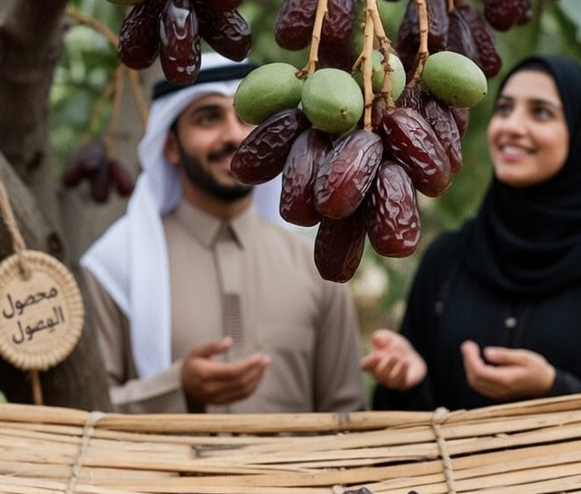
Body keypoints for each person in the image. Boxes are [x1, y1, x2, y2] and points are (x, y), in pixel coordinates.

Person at [364, 53, 581, 411]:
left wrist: (554, 388)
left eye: (541, 112)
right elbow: (405, 426)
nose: (512, 126)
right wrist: (407, 383)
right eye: (504, 109)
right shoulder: (448, 259)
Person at [81, 54, 367, 415]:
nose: (233, 135)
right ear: (170, 145)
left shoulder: (315, 266)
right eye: (208, 118)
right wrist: (177, 388)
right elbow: (86, 407)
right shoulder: (115, 266)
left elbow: (348, 412)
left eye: (248, 121)